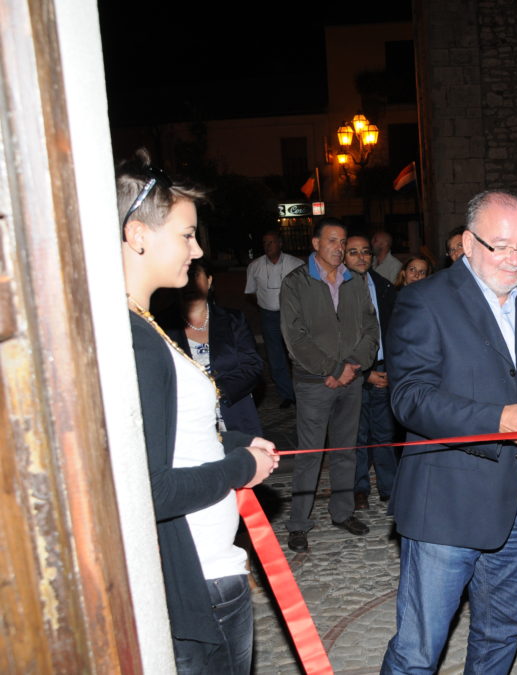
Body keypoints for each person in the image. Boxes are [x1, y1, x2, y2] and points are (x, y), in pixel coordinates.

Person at [380, 190, 517, 674]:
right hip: (447, 503)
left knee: (501, 632)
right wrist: (497, 420)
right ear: (466, 242)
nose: (515, 259)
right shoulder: (424, 299)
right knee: (419, 650)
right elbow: (410, 397)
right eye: (501, 245)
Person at [119, 150, 278, 673]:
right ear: (139, 234)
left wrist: (236, 443)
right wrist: (241, 469)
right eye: (187, 234)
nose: (199, 248)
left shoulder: (145, 326)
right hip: (197, 583)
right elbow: (152, 487)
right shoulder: (137, 343)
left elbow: (171, 440)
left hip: (211, 570)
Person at [280, 217, 380, 553]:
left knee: (345, 452)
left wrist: (353, 367)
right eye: (333, 241)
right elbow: (295, 337)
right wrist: (333, 367)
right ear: (315, 244)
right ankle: (298, 523)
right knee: (309, 456)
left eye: (342, 242)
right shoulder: (296, 282)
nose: (339, 248)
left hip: (350, 379)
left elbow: (370, 328)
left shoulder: (356, 280)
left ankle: (342, 512)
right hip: (313, 382)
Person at [164, 260, 264, 435]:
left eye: (194, 275)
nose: (189, 282)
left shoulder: (233, 320)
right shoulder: (163, 325)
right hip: (188, 423)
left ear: (209, 281)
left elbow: (253, 365)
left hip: (236, 416)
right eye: (183, 275)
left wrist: (217, 391)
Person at [344, 235, 398, 510]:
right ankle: (359, 488)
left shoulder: (384, 287)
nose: (361, 257)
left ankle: (389, 486)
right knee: (358, 435)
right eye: (353, 252)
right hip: (353, 374)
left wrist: (390, 369)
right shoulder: (335, 290)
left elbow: (394, 331)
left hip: (383, 369)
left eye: (365, 251)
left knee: (384, 433)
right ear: (344, 256)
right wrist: (364, 375)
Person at [244, 229, 303, 408]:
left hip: (293, 315)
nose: (267, 246)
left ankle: (303, 393)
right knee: (275, 356)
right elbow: (250, 292)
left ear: (280, 243)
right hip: (268, 316)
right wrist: (264, 304)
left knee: (298, 354)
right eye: (265, 243)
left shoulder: (296, 263)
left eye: (271, 242)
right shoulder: (255, 266)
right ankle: (287, 394)